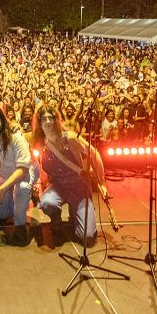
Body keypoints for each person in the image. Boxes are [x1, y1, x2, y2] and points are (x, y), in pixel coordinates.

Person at [30, 105, 108, 246]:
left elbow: (94, 153)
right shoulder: (40, 144)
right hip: (58, 186)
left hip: (79, 188)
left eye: (51, 118)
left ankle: (76, 213)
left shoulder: (70, 138)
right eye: (44, 119)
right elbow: (39, 169)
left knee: (88, 238)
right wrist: (38, 187)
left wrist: (102, 183)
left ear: (56, 120)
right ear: (39, 123)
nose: (48, 122)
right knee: (47, 203)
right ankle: (56, 218)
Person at [0, 103, 39, 245]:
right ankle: (21, 201)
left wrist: (2, 188)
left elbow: (23, 170)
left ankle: (20, 226)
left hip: (24, 173)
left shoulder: (16, 138)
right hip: (3, 175)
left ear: (3, 121)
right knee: (2, 215)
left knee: (23, 188)